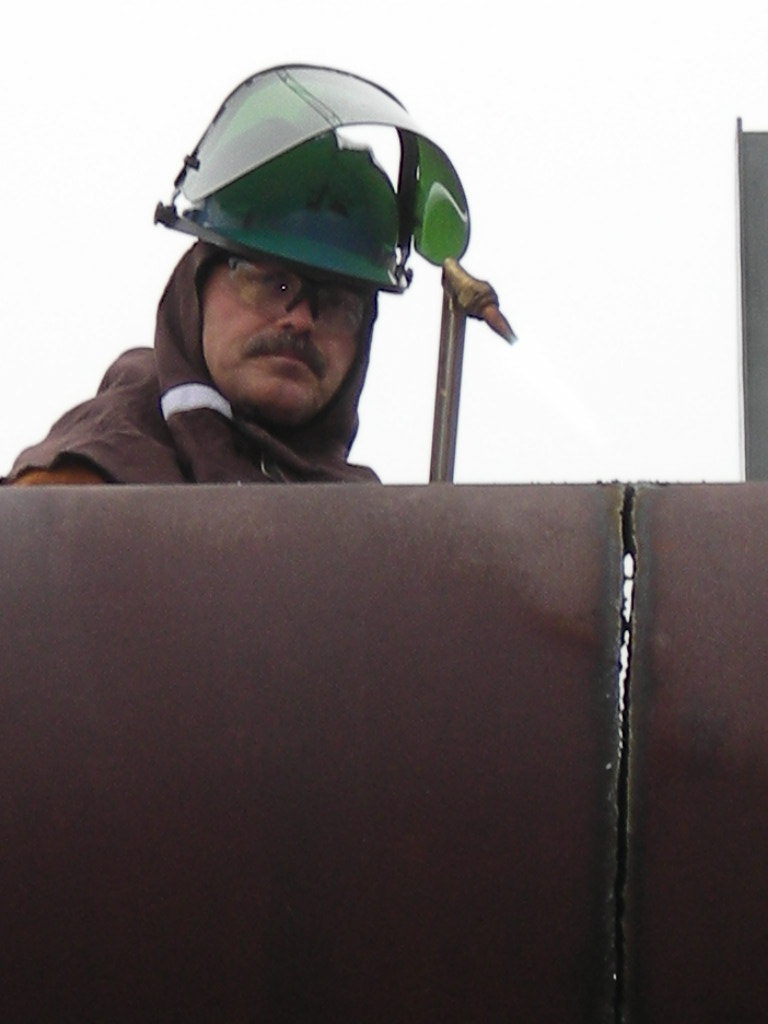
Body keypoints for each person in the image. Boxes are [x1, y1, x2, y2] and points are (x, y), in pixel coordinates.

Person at [4, 65, 469, 486]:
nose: (302, 321)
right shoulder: (78, 485)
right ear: (196, 292)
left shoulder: (376, 536)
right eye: (276, 284)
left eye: (339, 305)